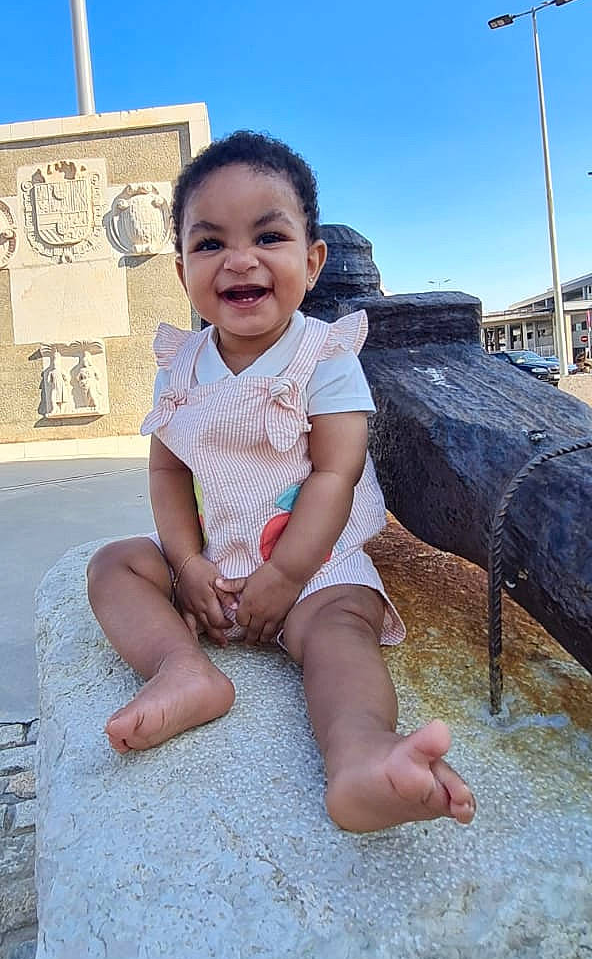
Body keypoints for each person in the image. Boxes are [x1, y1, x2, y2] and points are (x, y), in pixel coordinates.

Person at [87, 131, 475, 833]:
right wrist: (186, 563)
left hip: (316, 566)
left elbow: (336, 470)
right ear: (181, 271)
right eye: (209, 245)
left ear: (312, 258)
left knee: (339, 636)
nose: (240, 260)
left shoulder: (322, 356)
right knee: (114, 565)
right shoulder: (181, 364)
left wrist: (289, 575)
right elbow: (168, 468)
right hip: (217, 570)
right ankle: (183, 670)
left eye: (268, 236)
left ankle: (360, 752)